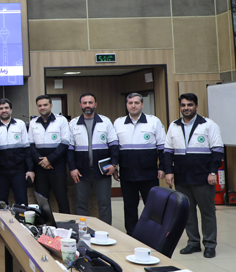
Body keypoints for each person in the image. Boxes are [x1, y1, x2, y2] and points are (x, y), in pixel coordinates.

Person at [164, 93, 224, 258]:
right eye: (183, 105)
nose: (186, 108)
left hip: (203, 177)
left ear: (196, 107)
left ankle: (210, 244)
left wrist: (213, 172)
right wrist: (169, 171)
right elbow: (167, 152)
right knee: (187, 212)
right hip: (182, 177)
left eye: (189, 105)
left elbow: (217, 150)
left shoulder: (208, 125)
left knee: (207, 212)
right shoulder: (174, 126)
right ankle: (193, 243)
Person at [113, 93, 166, 236]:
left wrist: (162, 167)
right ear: (126, 105)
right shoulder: (118, 123)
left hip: (149, 173)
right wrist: (115, 167)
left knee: (152, 206)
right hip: (127, 173)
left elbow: (162, 147)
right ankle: (132, 234)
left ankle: (152, 234)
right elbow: (114, 149)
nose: (133, 106)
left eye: (136, 103)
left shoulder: (153, 121)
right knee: (129, 206)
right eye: (130, 103)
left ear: (142, 104)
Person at [67, 93, 118, 225]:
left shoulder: (105, 122)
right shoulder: (73, 123)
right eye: (85, 103)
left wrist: (114, 164)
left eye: (90, 102)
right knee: (81, 204)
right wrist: (72, 168)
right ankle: (83, 232)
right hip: (80, 172)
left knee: (104, 204)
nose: (87, 105)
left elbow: (114, 145)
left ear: (95, 104)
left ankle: (106, 232)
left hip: (102, 171)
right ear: (80, 105)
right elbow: (69, 149)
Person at [28, 95, 71, 213]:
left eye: (45, 105)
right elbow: (31, 145)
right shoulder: (33, 122)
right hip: (40, 168)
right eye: (40, 105)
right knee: (42, 201)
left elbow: (65, 143)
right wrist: (41, 162)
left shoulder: (61, 120)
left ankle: (66, 223)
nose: (42, 107)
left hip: (57, 166)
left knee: (62, 199)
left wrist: (49, 159)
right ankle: (44, 223)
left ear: (51, 106)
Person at [0, 99, 34, 205]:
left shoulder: (20, 124)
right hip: (0, 172)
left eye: (6, 108)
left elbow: (27, 149)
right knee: (1, 203)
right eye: (1, 108)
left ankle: (22, 217)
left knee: (22, 202)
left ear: (11, 110)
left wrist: (30, 169)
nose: (4, 110)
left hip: (19, 170)